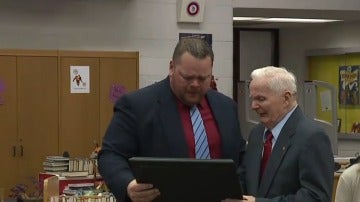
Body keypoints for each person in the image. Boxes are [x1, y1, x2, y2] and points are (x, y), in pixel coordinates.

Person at [98, 38, 246, 202]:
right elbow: (111, 155)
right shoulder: (137, 105)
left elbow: (239, 159)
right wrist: (128, 184)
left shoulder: (226, 107)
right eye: (188, 77)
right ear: (171, 67)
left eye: (203, 78)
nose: (195, 84)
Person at [225, 66, 334, 202]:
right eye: (253, 99)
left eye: (261, 99)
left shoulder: (312, 137)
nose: (253, 106)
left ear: (286, 98)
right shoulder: (256, 134)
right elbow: (245, 181)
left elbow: (317, 198)